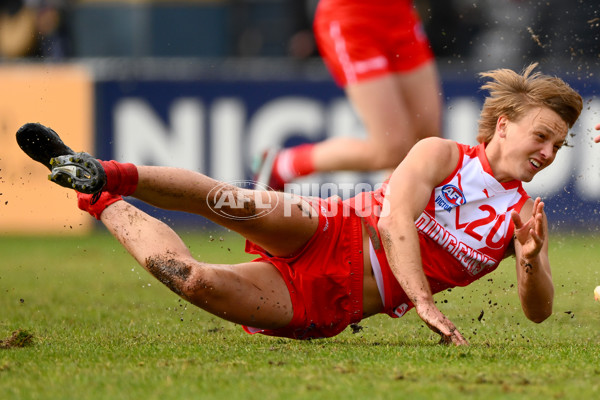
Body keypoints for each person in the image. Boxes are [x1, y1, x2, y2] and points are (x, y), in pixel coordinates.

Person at [17, 63, 582, 345]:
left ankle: (96, 197)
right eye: (542, 135)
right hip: (331, 228)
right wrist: (424, 302)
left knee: (193, 280)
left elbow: (538, 310)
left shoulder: (524, 220)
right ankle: (103, 170)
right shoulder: (441, 154)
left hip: (326, 300)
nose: (549, 151)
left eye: (558, 144)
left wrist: (529, 259)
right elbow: (391, 219)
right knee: (230, 201)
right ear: (503, 126)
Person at [254, 0, 442, 190]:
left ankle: (395, 212)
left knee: (426, 139)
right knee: (391, 149)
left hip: (399, 14)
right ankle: (283, 164)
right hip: (352, 18)